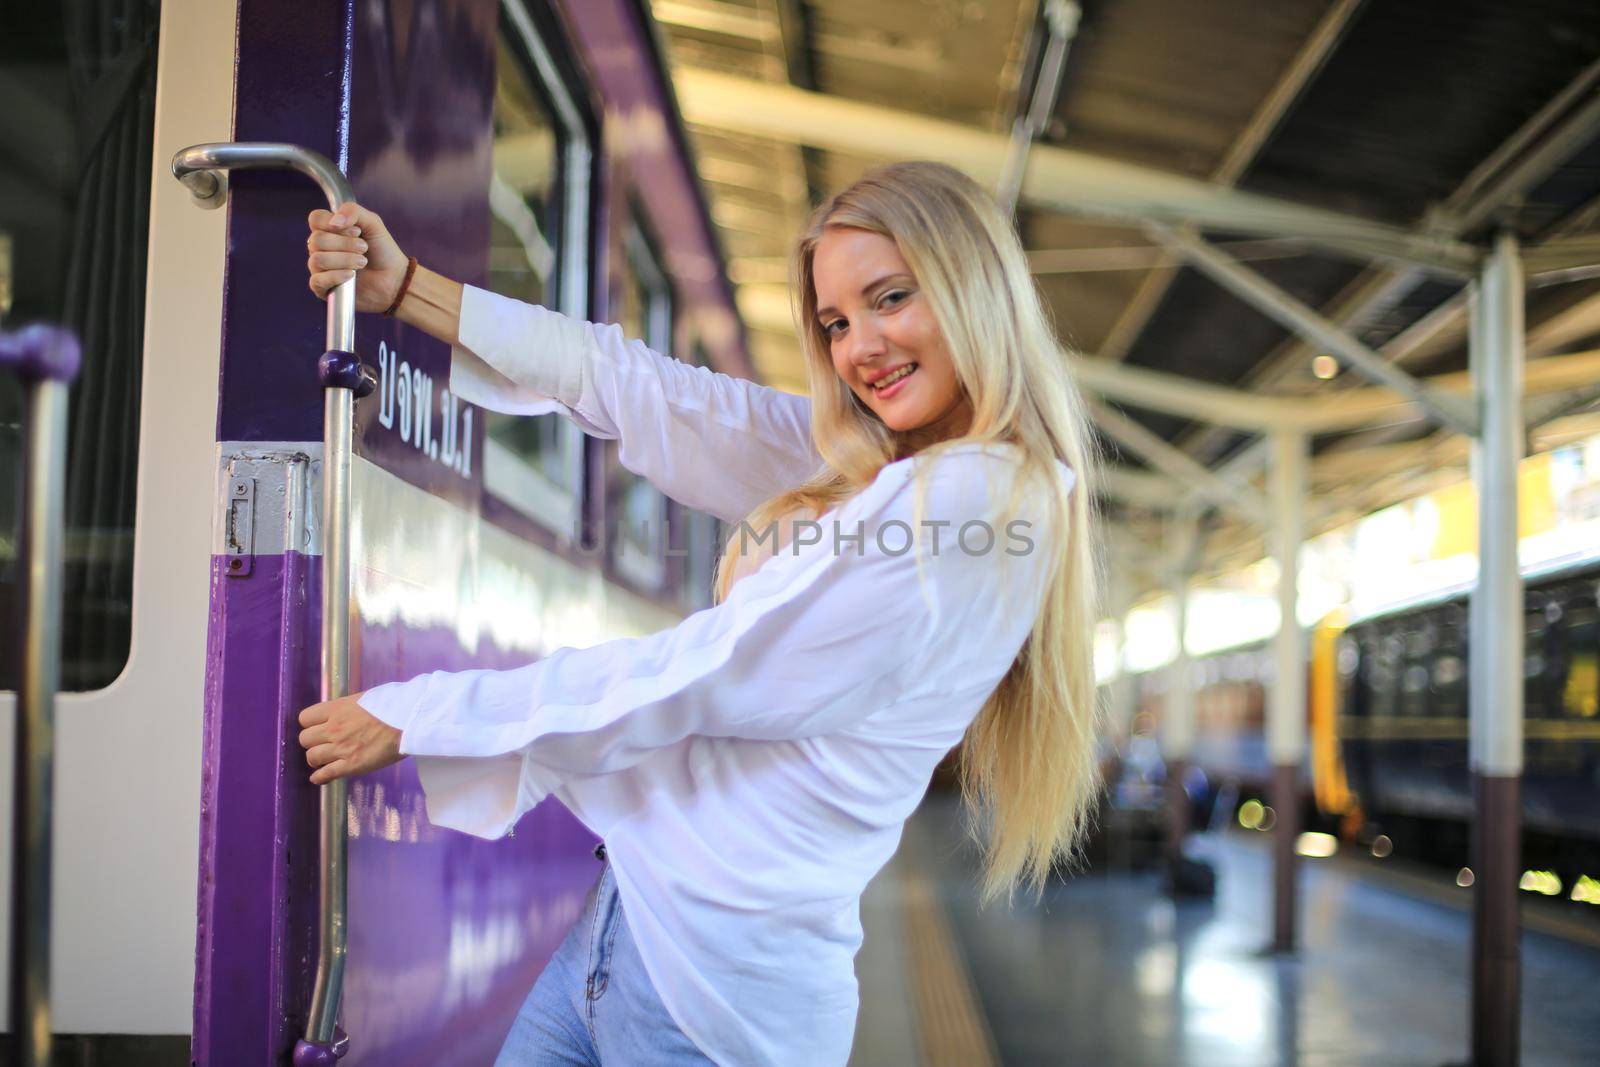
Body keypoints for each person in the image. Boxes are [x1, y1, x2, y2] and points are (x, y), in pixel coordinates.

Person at [294, 161, 1102, 1066]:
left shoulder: (978, 500)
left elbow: (715, 671)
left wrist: (425, 714)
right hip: (621, 938)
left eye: (892, 297)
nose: (861, 346)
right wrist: (409, 290)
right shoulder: (887, 464)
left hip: (715, 1010)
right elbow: (665, 397)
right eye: (836, 322)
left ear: (973, 289)